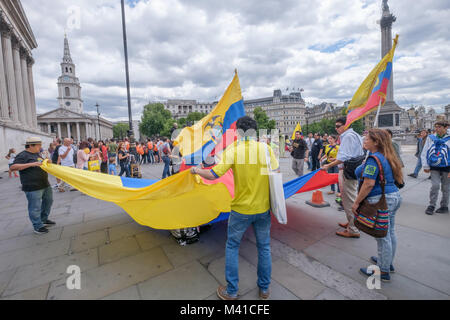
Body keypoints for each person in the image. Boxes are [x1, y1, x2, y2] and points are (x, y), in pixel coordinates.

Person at [191, 116, 278, 300]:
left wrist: (196, 170)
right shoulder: (266, 149)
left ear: (238, 132)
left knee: (232, 246)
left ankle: (231, 291)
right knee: (264, 247)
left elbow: (213, 174)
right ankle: (264, 289)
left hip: (241, 210)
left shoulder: (234, 149)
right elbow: (276, 174)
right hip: (263, 209)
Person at [353, 129, 403, 282]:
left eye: (367, 139)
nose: (364, 141)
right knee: (390, 231)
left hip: (381, 199)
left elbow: (368, 184)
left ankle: (383, 270)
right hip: (394, 195)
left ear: (376, 142)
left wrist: (356, 202)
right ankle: (387, 262)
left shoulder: (374, 159)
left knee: (382, 236)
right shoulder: (387, 155)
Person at [322, 117, 365, 238]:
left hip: (348, 170)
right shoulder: (355, 134)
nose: (336, 129)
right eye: (335, 126)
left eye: (338, 126)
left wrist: (328, 165)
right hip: (353, 170)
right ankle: (351, 222)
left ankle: (353, 229)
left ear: (346, 125)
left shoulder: (347, 136)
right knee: (349, 198)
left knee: (349, 199)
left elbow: (343, 157)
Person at [10, 137, 55, 234]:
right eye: (38, 145)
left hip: (44, 183)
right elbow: (13, 167)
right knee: (35, 207)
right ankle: (37, 226)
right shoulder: (22, 155)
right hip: (32, 186)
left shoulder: (37, 153)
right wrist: (31, 164)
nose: (40, 147)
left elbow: (41, 164)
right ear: (31, 145)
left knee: (48, 201)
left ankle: (43, 219)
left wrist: (47, 161)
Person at [421, 120, 450, 215]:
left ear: (446, 127)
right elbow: (425, 151)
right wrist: (425, 165)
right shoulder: (431, 138)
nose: (437, 129)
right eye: (436, 127)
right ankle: (432, 205)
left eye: (439, 127)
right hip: (434, 166)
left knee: (446, 187)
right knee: (435, 186)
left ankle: (444, 206)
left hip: (447, 167)